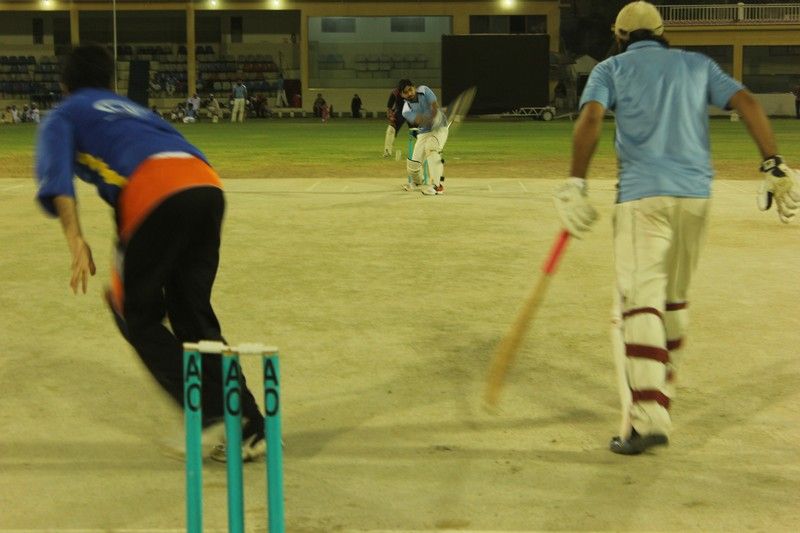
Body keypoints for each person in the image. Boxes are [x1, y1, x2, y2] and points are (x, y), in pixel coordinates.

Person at [553, 1, 800, 456]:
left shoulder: (610, 68)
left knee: (639, 303)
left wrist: (576, 182)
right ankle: (659, 398)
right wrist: (772, 162)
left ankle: (648, 418)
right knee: (674, 299)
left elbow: (590, 118)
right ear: (663, 31)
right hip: (696, 197)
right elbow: (746, 102)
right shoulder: (696, 64)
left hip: (643, 197)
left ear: (619, 35)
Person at [33, 44, 267, 461]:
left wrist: (75, 240)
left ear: (65, 85)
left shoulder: (64, 114)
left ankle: (212, 415)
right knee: (192, 314)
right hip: (206, 186)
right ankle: (251, 425)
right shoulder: (134, 109)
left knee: (132, 311)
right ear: (110, 82)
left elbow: (57, 182)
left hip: (153, 191)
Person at [398, 79, 448, 195]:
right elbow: (419, 120)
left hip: (439, 128)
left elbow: (434, 106)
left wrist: (435, 117)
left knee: (431, 148)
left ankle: (437, 186)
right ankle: (417, 183)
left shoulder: (424, 90)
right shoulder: (406, 110)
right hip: (424, 131)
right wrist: (430, 120)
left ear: (414, 87)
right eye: (405, 92)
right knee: (413, 164)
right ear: (401, 95)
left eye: (410, 89)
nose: (409, 93)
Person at [383, 86, 407, 158]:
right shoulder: (395, 92)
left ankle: (428, 148)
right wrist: (390, 117)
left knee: (418, 131)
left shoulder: (413, 92)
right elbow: (389, 107)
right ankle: (387, 151)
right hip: (399, 112)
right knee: (391, 129)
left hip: (412, 112)